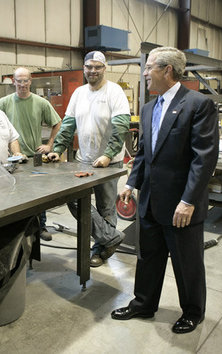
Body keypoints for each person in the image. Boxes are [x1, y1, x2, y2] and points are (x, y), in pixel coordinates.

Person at [111, 47, 219, 334]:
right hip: (149, 201)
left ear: (167, 70)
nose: (144, 73)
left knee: (187, 263)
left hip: (181, 205)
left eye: (149, 68)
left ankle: (193, 312)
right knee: (148, 257)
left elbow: (204, 158)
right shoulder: (149, 108)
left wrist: (188, 200)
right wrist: (131, 184)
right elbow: (145, 154)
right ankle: (144, 304)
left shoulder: (197, 104)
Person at [47, 51, 131, 267]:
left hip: (109, 162)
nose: (93, 71)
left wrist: (108, 154)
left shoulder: (115, 92)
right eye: (89, 67)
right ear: (84, 68)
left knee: (106, 207)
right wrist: (57, 148)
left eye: (97, 67)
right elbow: (68, 124)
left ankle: (100, 251)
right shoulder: (79, 93)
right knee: (74, 199)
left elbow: (121, 126)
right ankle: (110, 238)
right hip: (84, 159)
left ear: (104, 68)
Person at [0, 67, 61, 241]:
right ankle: (18, 230)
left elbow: (57, 123)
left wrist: (49, 145)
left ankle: (42, 226)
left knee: (39, 193)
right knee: (14, 195)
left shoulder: (41, 103)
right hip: (11, 160)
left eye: (25, 80)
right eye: (19, 80)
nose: (22, 84)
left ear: (30, 81)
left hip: (34, 157)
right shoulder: (2, 103)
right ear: (13, 81)